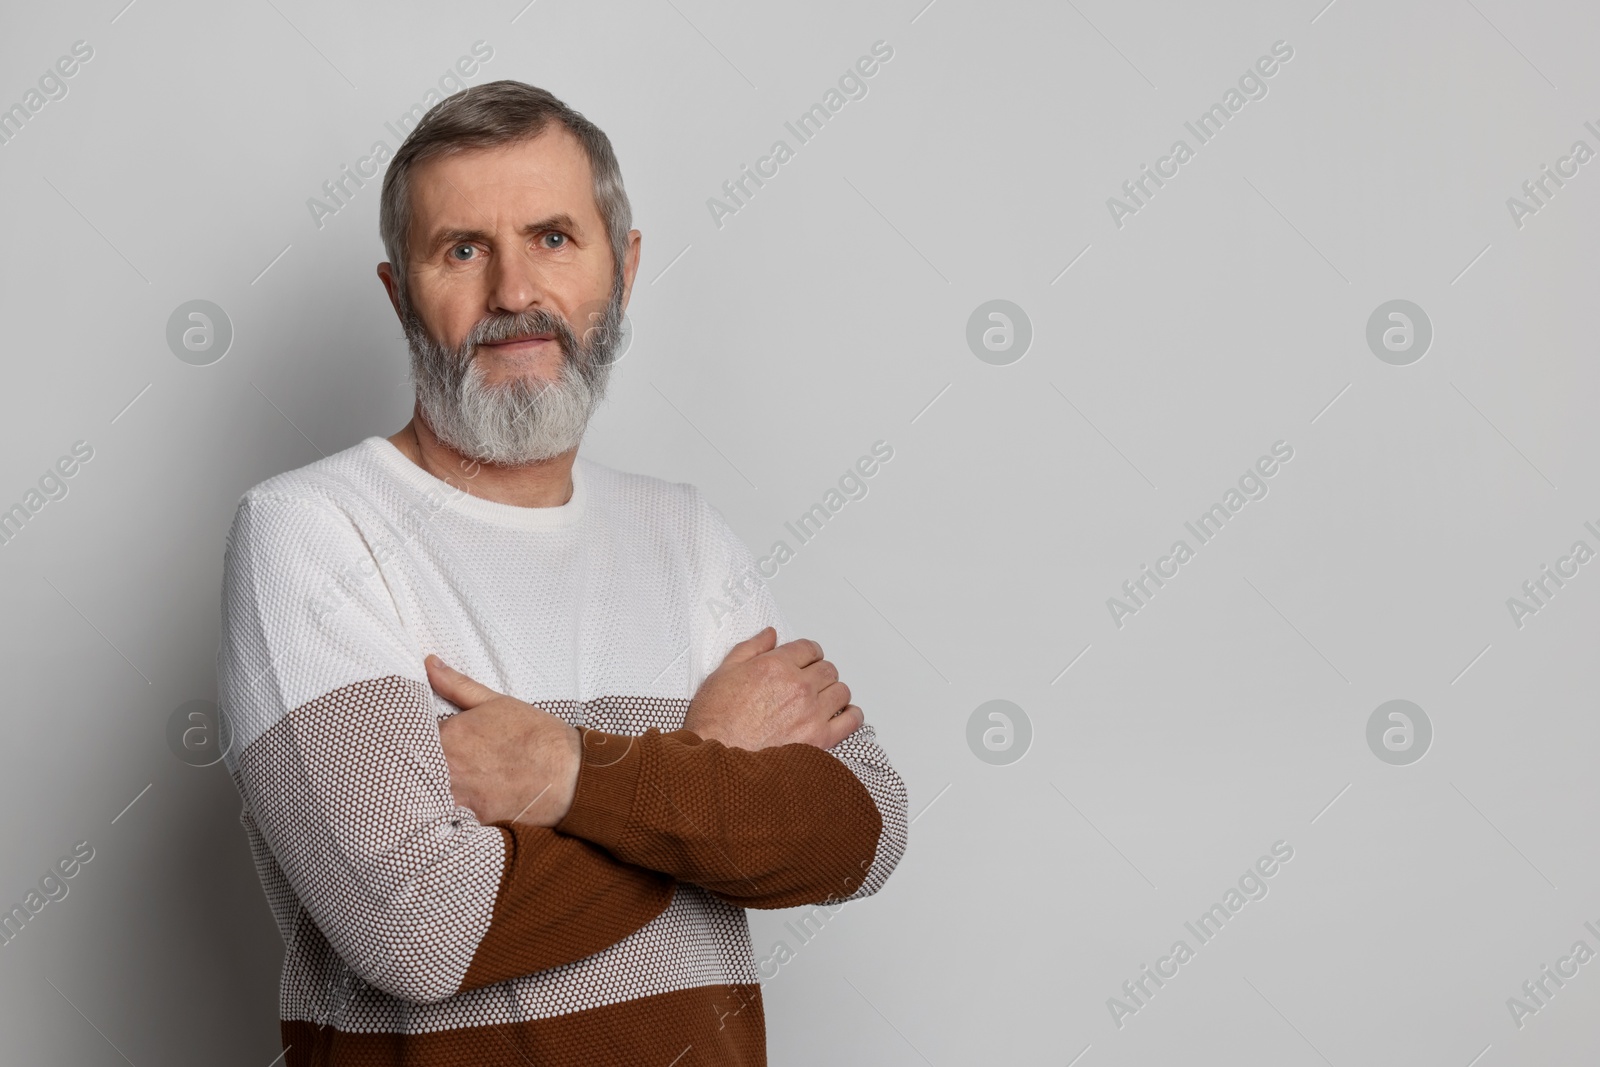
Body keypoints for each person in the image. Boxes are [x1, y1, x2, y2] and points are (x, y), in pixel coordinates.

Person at [217, 79, 907, 1065]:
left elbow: (861, 831)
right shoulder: (311, 532)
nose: (512, 293)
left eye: (552, 238)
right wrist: (704, 754)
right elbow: (419, 931)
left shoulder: (686, 535)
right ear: (400, 290)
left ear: (620, 267)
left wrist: (564, 771)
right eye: (462, 249)